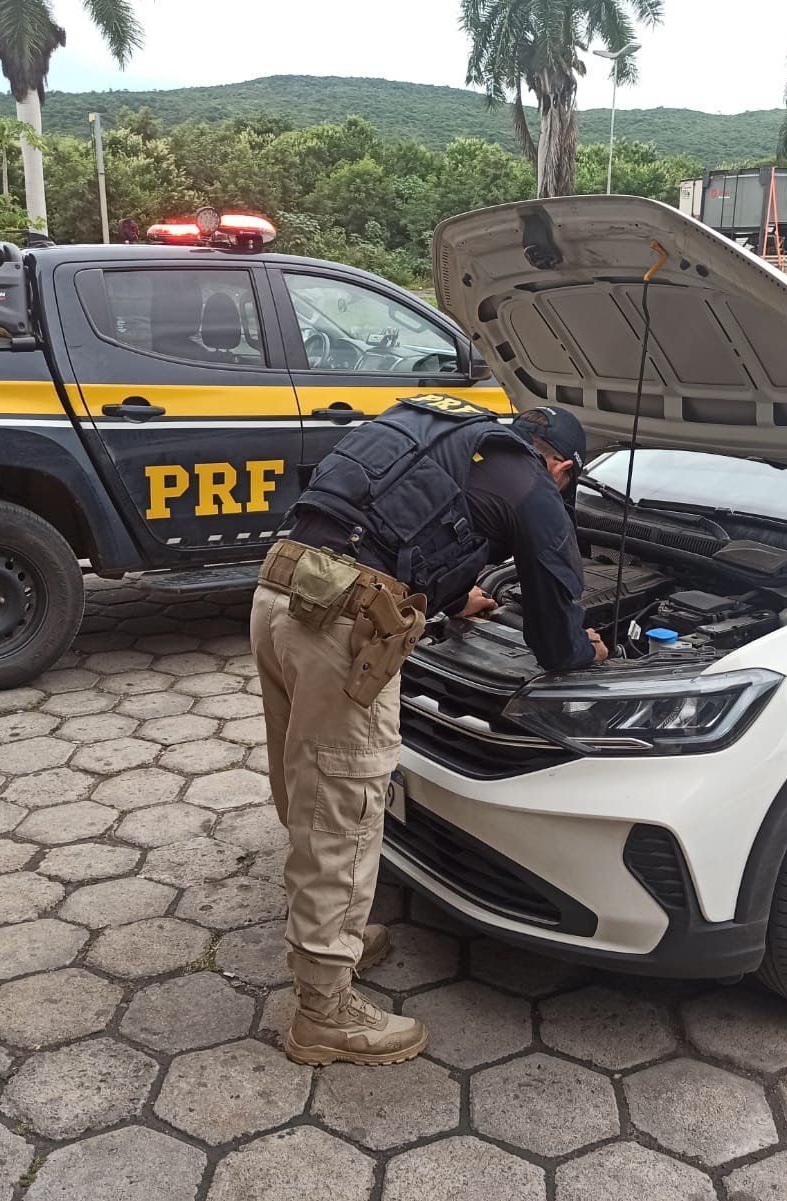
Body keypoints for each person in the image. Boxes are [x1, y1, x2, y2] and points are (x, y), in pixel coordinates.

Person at [251, 395, 608, 1066]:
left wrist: (449, 596)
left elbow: (393, 526)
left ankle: (335, 940)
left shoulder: (454, 437)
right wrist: (587, 649)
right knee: (342, 812)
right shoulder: (535, 489)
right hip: (341, 626)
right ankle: (323, 1012)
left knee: (308, 793)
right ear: (563, 466)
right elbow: (557, 640)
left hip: (280, 590)